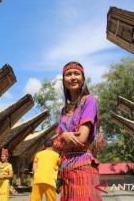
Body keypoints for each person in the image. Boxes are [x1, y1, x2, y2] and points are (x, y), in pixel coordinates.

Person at [53, 61, 102, 200]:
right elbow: (55, 144)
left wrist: (60, 140)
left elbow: (81, 139)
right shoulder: (64, 110)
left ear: (83, 79)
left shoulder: (89, 101)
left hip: (82, 167)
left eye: (77, 73)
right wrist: (64, 136)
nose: (73, 77)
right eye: (68, 74)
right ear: (64, 81)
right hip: (66, 169)